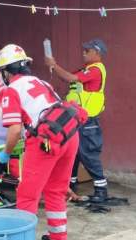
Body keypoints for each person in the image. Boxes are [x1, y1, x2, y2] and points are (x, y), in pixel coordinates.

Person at [0, 44, 82, 240]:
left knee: (27, 194)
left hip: (44, 142)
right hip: (69, 135)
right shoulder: (40, 82)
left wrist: (6, 154)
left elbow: (15, 130)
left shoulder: (11, 90)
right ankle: (58, 238)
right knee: (56, 190)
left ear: (6, 71)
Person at [45, 38, 109, 205]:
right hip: (77, 118)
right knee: (72, 153)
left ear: (97, 53)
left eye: (87, 51)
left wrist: (54, 65)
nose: (84, 53)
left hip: (88, 119)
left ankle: (101, 190)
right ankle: (69, 185)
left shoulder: (95, 70)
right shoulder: (87, 69)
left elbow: (70, 78)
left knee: (88, 154)